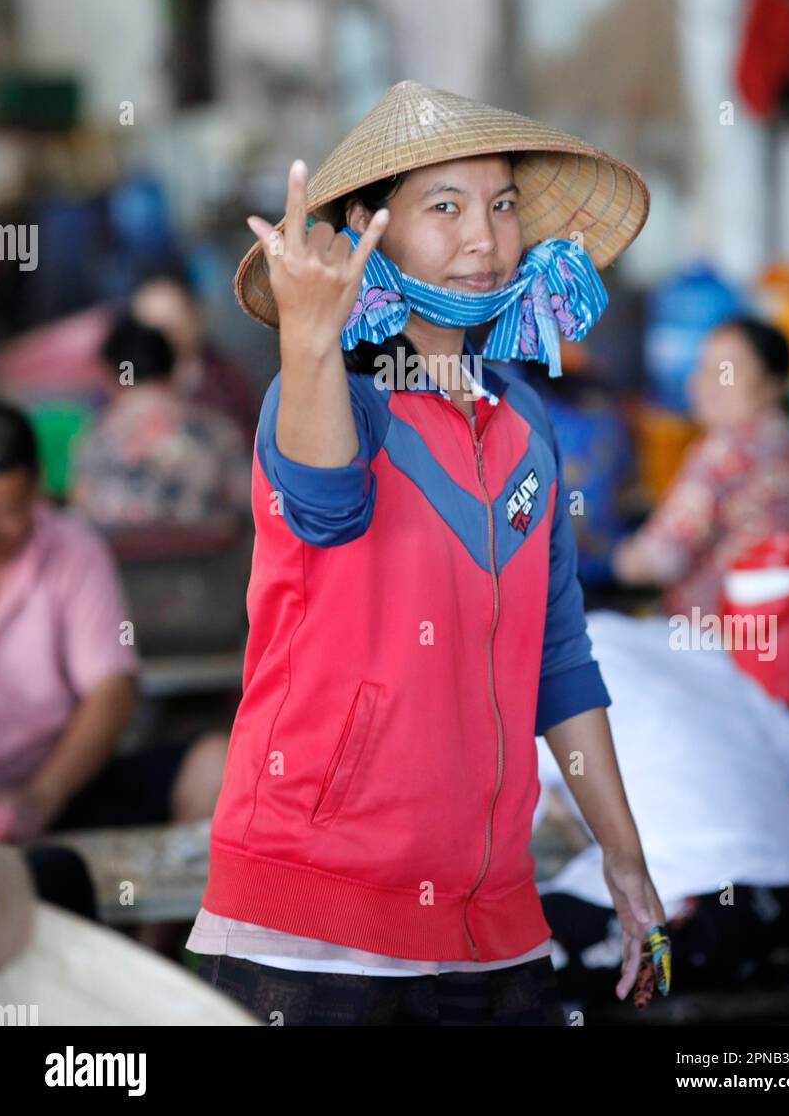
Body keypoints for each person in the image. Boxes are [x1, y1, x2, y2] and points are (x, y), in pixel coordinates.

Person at [187, 78, 665, 1027]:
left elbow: (558, 663)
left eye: (501, 204)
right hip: (319, 926)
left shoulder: (526, 421)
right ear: (371, 230)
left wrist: (624, 855)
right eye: (442, 208)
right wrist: (310, 335)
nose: (483, 240)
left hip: (494, 921)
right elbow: (322, 508)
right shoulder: (329, 398)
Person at [532, 611, 789, 1008]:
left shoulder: (535, 668)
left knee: (484, 949)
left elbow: (490, 835)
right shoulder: (679, 637)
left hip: (688, 911)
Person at [0, 399, 229, 950]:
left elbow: (112, 689)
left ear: (36, 491)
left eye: (11, 510)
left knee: (217, 768)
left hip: (60, 781)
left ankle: (152, 971)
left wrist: (39, 798)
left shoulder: (72, 548)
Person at [612, 315, 789, 620]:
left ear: (772, 385)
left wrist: (611, 557)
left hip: (725, 645)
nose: (706, 382)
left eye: (726, 369)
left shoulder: (724, 451)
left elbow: (660, 558)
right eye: (703, 368)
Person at [69, 313, 252, 533]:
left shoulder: (95, 440)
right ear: (174, 369)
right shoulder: (221, 432)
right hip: (211, 565)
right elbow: (249, 510)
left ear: (110, 375)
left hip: (126, 566)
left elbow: (81, 521)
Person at [130, 269, 260, 450]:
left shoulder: (225, 378)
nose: (167, 333)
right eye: (154, 326)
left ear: (194, 317)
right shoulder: (132, 387)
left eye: (173, 319)